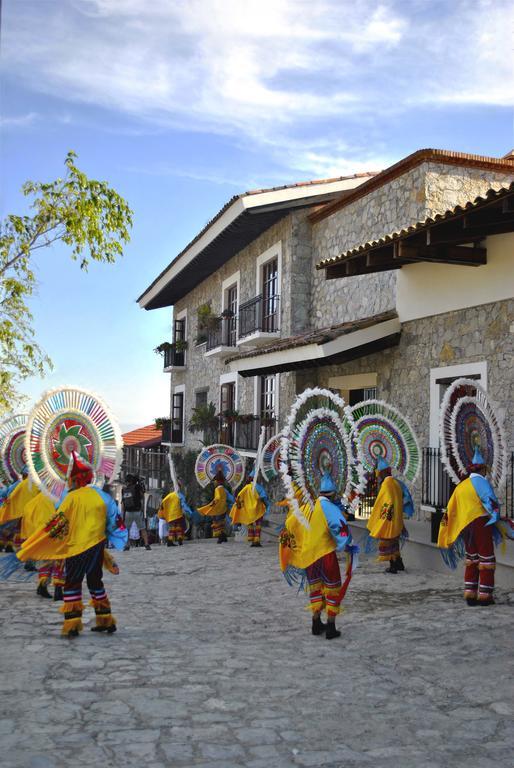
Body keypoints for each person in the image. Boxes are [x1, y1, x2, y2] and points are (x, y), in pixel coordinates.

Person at [16, 452, 128, 637]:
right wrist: (116, 539)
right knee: (95, 582)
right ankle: (105, 619)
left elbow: (58, 523)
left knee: (72, 584)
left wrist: (38, 542)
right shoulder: (102, 497)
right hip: (97, 545)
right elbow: (114, 521)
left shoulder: (69, 498)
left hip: (76, 548)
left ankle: (72, 624)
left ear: (75, 480)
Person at [279, 471, 357, 640]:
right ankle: (330, 626)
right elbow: (340, 527)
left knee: (315, 587)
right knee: (332, 588)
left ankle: (315, 622)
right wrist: (347, 544)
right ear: (333, 493)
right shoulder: (329, 507)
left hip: (309, 555)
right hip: (325, 553)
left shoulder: (308, 506)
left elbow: (291, 522)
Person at [438, 447, 499, 606]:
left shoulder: (461, 486)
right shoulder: (481, 482)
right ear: (483, 469)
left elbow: (452, 508)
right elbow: (491, 502)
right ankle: (485, 595)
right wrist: (496, 516)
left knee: (472, 558)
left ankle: (470, 593)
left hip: (466, 526)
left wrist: (449, 529)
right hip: (480, 523)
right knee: (486, 558)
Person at [366, 457, 414, 574]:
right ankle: (399, 563)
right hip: (397, 518)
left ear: (382, 472)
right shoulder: (396, 482)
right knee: (395, 542)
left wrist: (382, 519)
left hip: (389, 519)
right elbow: (403, 497)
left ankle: (393, 566)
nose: (378, 476)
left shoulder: (387, 484)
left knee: (390, 542)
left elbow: (386, 503)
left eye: (378, 473)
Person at [230, 468, 270, 547]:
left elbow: (239, 497)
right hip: (258, 510)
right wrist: (266, 505)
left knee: (250, 525)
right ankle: (257, 540)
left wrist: (239, 505)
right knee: (258, 525)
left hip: (248, 510)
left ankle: (252, 539)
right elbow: (264, 497)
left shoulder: (246, 487)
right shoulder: (258, 487)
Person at [197, 468, 234, 543]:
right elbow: (230, 498)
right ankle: (222, 536)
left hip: (218, 509)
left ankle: (220, 536)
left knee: (217, 522)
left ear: (217, 481)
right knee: (220, 522)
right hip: (223, 509)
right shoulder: (224, 489)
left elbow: (218, 498)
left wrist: (213, 503)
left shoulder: (218, 489)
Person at [158, 481, 194, 546]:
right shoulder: (180, 495)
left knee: (172, 527)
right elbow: (183, 505)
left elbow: (162, 504)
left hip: (171, 515)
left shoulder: (169, 496)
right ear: (179, 488)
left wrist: (162, 514)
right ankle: (179, 538)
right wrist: (190, 511)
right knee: (178, 527)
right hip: (178, 514)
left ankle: (170, 540)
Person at [122, 474, 151, 551]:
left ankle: (127, 545)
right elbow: (142, 495)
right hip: (137, 512)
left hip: (128, 512)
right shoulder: (137, 487)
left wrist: (123, 515)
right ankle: (146, 544)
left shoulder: (124, 489)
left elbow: (123, 504)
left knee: (127, 529)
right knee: (142, 528)